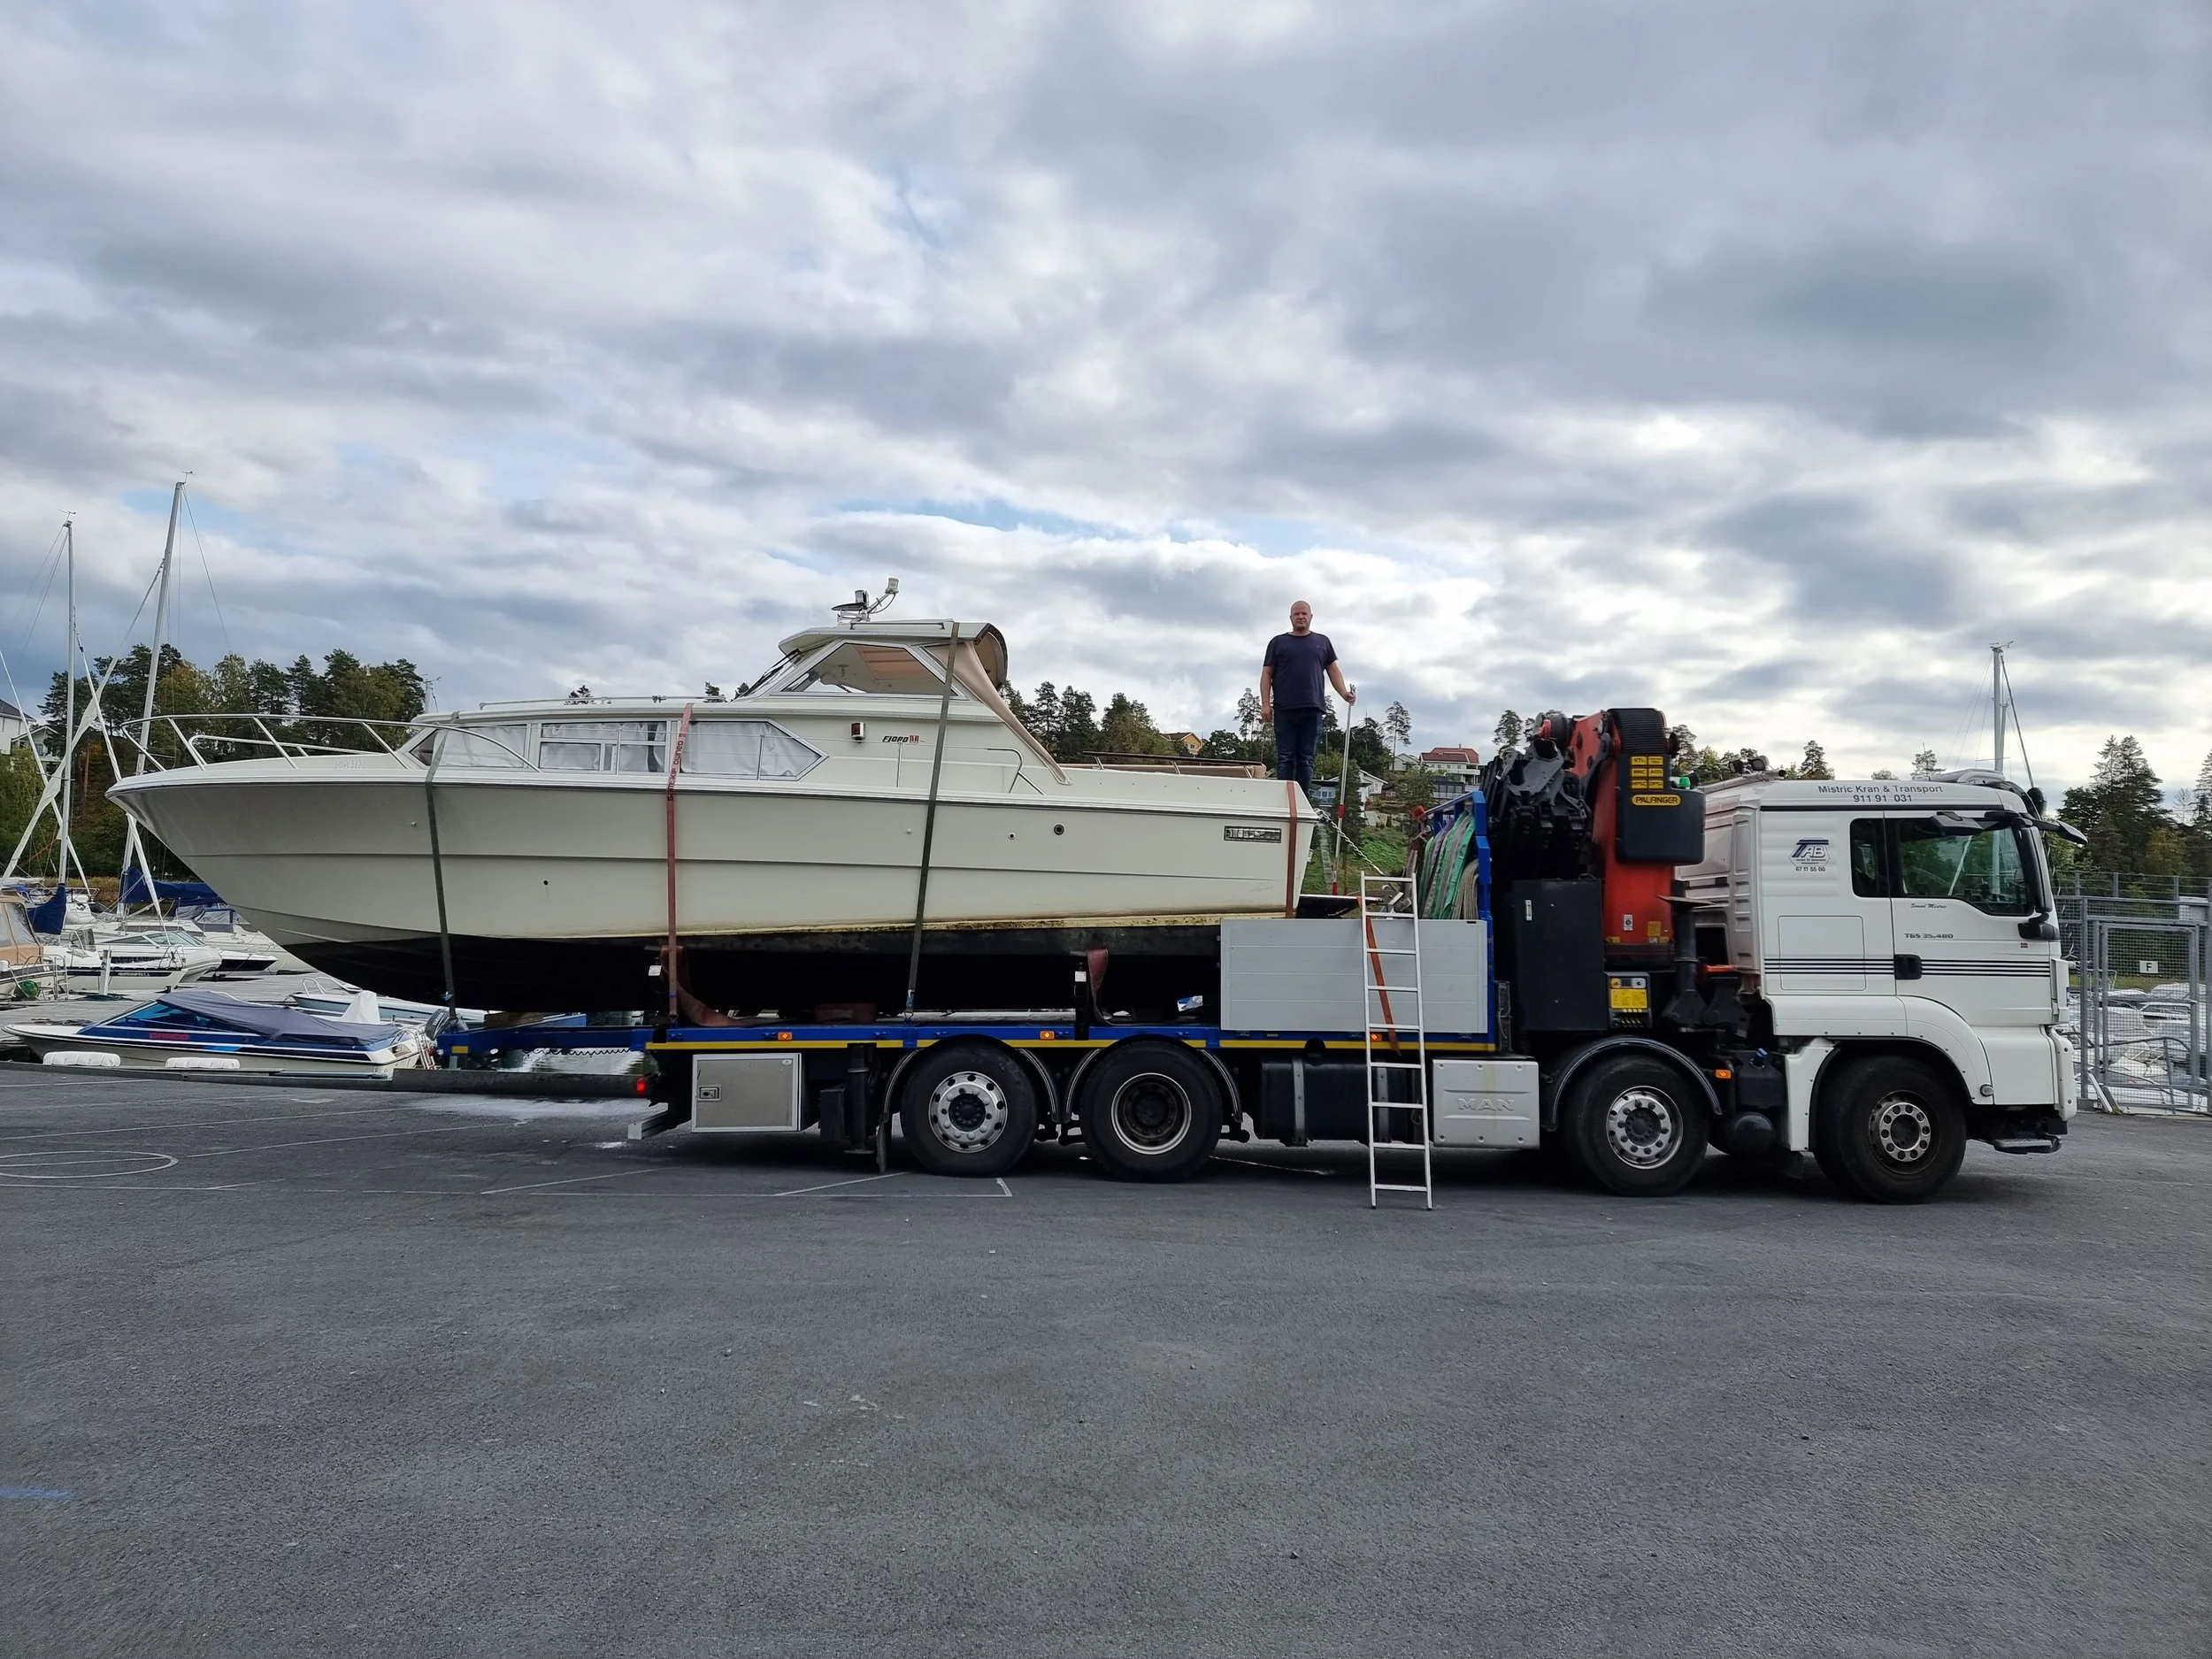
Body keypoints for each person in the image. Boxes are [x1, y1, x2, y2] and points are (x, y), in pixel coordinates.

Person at [1259, 600, 1354, 796]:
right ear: (1291, 618)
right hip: (1285, 708)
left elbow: (1333, 670)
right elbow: (1267, 673)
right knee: (1286, 757)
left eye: (1304, 613)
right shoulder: (1278, 643)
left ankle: (1302, 800)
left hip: (1312, 708)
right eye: (1296, 614)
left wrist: (1344, 693)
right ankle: (1284, 800)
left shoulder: (1322, 642)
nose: (1300, 617)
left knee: (1306, 758)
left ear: (1311, 617)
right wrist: (1265, 704)